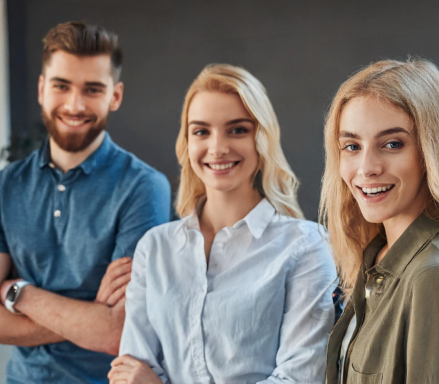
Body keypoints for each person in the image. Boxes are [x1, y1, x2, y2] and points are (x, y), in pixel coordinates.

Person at [0, 21, 171, 383]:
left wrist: (18, 293)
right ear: (43, 89)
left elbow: (116, 331)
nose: (75, 105)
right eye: (62, 86)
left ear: (115, 96)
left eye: (92, 89)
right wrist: (89, 316)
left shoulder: (144, 187)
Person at [108, 64, 337, 384]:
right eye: (201, 131)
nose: (217, 148)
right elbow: (130, 374)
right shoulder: (155, 247)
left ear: (262, 139)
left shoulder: (305, 246)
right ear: (187, 143)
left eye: (237, 129)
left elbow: (300, 379)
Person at [319, 58, 439, 384]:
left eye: (392, 144)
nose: (366, 167)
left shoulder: (434, 276)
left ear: (430, 151)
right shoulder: (378, 255)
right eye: (352, 146)